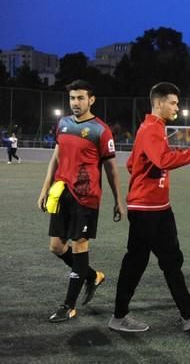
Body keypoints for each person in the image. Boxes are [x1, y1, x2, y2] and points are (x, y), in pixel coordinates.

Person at [109, 82, 190, 333]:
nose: (177, 107)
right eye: (173, 103)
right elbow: (163, 160)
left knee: (172, 261)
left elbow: (132, 163)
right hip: (145, 209)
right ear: (158, 103)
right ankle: (118, 316)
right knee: (136, 263)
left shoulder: (156, 128)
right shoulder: (151, 128)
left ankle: (189, 315)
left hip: (159, 207)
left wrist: (142, 172)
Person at [37, 79, 125, 322]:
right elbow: (55, 158)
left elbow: (111, 169)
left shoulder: (101, 130)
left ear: (91, 100)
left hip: (86, 197)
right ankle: (92, 276)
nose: (75, 103)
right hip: (62, 192)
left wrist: (119, 200)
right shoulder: (63, 124)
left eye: (80, 98)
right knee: (56, 246)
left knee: (79, 246)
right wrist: (45, 188)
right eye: (72, 98)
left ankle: (69, 305)